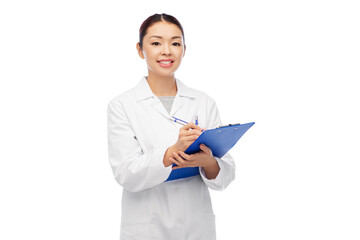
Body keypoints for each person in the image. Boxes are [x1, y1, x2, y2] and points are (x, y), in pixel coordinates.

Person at [107, 13, 235, 240]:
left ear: (184, 50)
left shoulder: (203, 102)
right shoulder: (122, 105)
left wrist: (208, 162)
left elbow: (226, 173)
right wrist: (171, 151)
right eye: (156, 43)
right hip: (148, 229)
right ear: (140, 49)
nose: (167, 51)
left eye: (176, 43)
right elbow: (125, 173)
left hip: (197, 227)